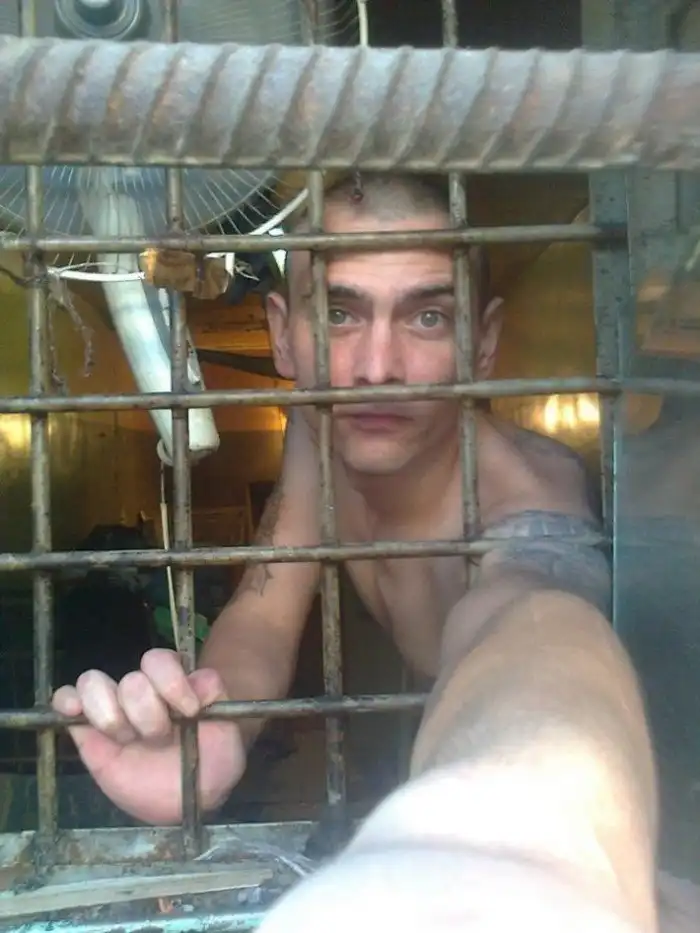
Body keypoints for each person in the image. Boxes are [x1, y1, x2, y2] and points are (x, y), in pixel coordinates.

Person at [52, 173, 690, 930]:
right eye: (339, 313)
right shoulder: (320, 425)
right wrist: (221, 724)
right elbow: (266, 610)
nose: (376, 365)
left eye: (427, 316)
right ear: (284, 332)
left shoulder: (529, 502)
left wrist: (512, 833)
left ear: (482, 342)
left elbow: (537, 627)